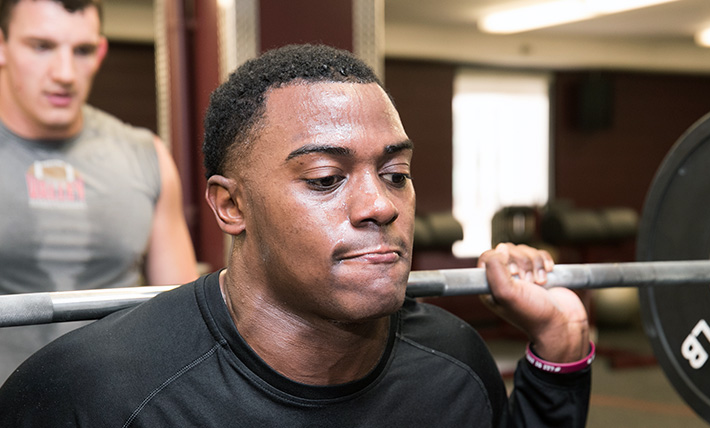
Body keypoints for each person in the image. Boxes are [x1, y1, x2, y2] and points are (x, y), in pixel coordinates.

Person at [0, 44, 591, 427]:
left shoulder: (454, 363)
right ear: (231, 206)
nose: (380, 206)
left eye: (397, 175)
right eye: (326, 178)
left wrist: (559, 344)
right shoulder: (98, 395)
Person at [0, 0, 198, 382]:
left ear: (101, 51)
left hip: (116, 407)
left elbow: (183, 321)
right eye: (41, 46)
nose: (65, 73)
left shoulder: (146, 155)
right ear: (3, 47)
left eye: (83, 50)